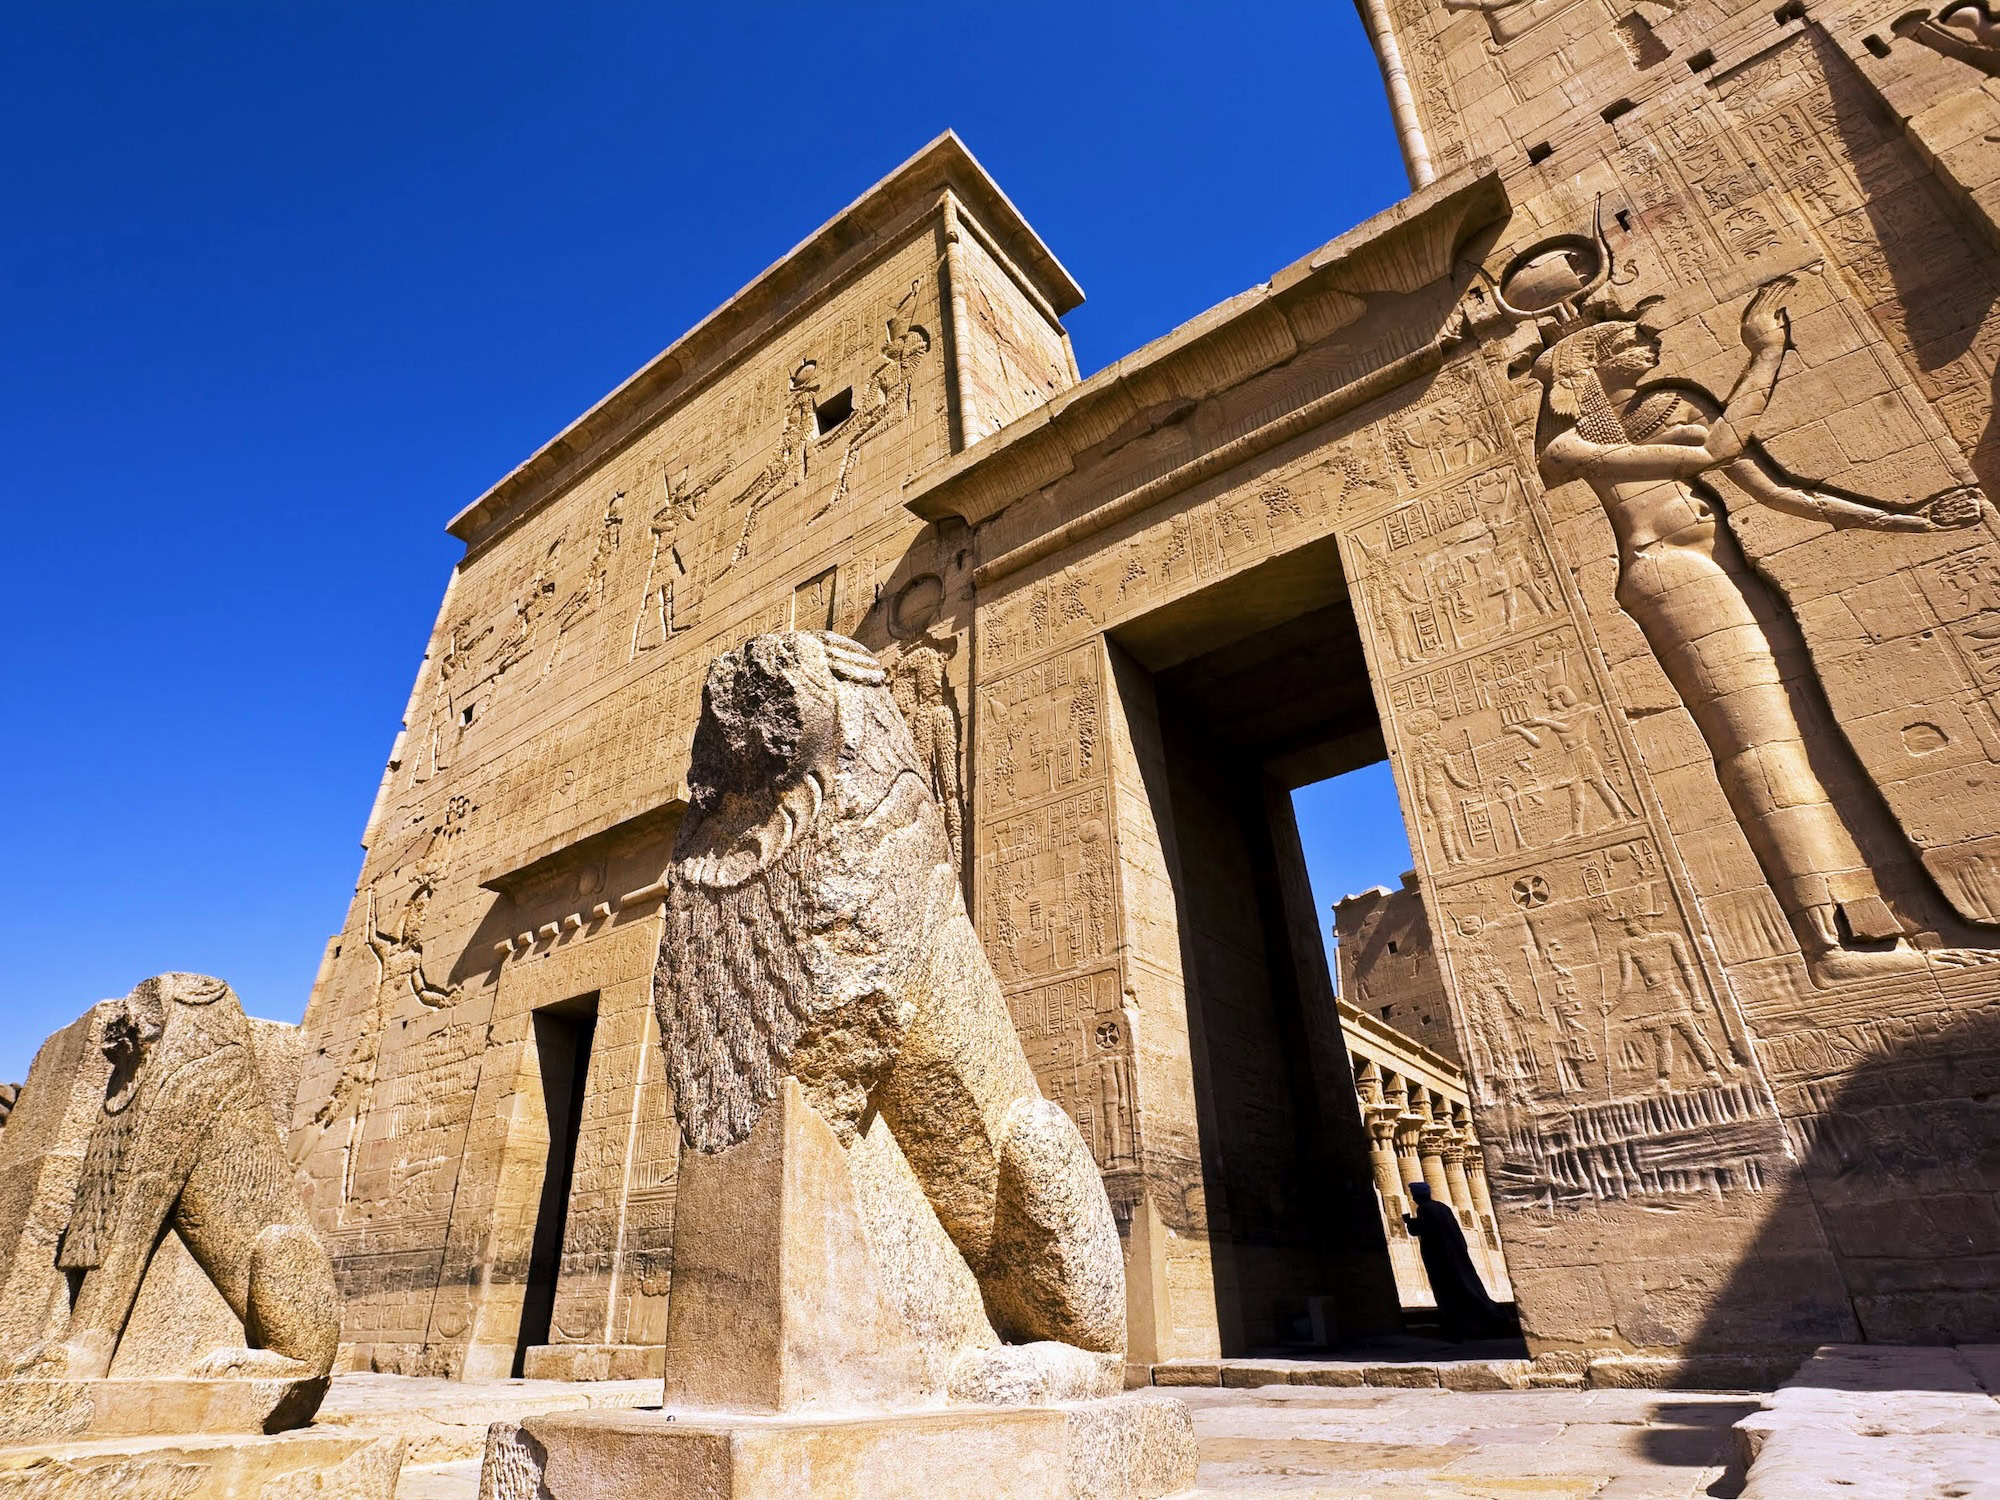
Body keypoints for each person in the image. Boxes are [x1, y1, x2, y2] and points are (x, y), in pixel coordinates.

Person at [1403, 1181, 1503, 1341]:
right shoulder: (1443, 1207)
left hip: (1441, 1258)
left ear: (1417, 1196)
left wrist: (1409, 1222)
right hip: (1455, 1253)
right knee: (1467, 1284)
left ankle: (1463, 1327)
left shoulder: (1425, 1209)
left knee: (1449, 1292)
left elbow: (1422, 1230)